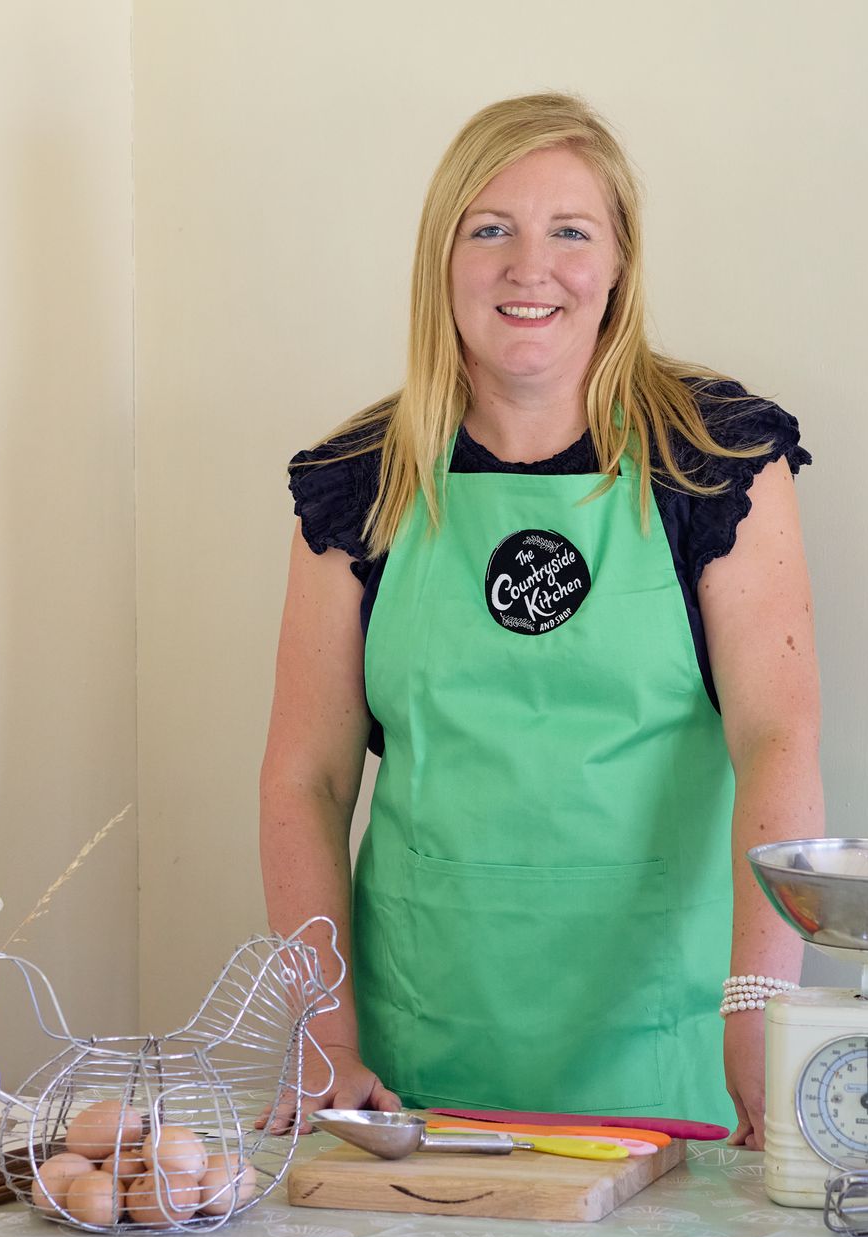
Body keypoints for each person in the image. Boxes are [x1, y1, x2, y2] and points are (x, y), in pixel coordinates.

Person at [259, 92, 823, 1147]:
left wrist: (762, 1007)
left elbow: (777, 736)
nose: (532, 268)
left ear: (618, 263)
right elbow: (307, 778)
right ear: (442, 259)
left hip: (671, 1043)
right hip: (418, 1059)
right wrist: (322, 1032)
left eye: (570, 231)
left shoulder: (714, 460)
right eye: (490, 231)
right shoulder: (357, 482)